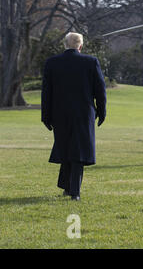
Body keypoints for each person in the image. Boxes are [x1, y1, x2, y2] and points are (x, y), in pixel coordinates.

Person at [41, 32, 107, 201]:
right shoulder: (91, 62)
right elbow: (100, 90)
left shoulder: (52, 63)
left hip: (59, 114)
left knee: (66, 148)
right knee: (78, 151)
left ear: (64, 45)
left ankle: (67, 187)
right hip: (83, 113)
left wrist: (46, 116)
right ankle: (74, 192)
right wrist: (102, 111)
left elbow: (46, 93)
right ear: (81, 46)